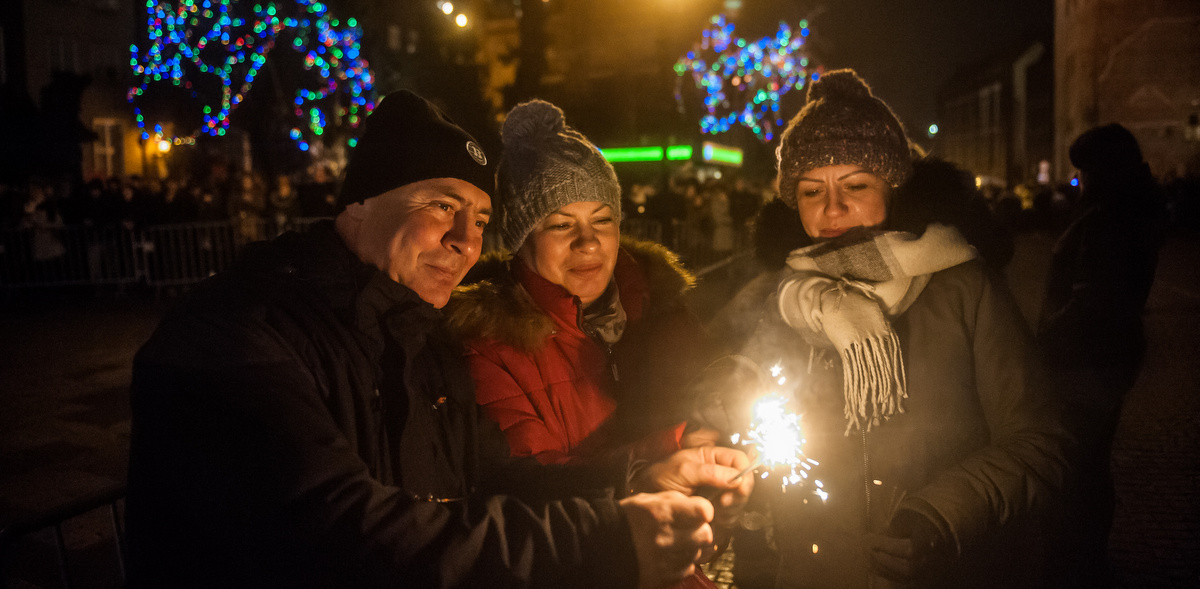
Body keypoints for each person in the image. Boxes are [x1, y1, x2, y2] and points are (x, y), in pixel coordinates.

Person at [126, 90, 741, 589]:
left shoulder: (424, 339)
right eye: (442, 206)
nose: (465, 242)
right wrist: (604, 542)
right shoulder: (235, 330)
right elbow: (335, 533)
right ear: (361, 203)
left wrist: (642, 478)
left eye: (477, 219)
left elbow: (496, 480)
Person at [708, 69, 1073, 588]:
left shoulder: (965, 288)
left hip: (944, 570)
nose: (833, 209)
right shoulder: (783, 298)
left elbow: (1040, 441)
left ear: (895, 187)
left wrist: (942, 515)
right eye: (812, 191)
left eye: (856, 185)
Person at [444, 101, 751, 589]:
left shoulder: (663, 313)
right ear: (522, 239)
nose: (588, 243)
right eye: (562, 225)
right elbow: (529, 491)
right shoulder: (488, 340)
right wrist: (654, 466)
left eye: (602, 220)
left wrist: (716, 458)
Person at [1037, 123, 1164, 588]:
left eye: (1087, 172)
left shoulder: (1111, 219)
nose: (1082, 182)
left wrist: (1044, 340)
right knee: (1089, 460)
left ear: (1105, 172)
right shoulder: (1127, 209)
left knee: (1081, 462)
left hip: (1088, 360)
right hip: (1106, 356)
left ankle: (1079, 561)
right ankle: (1085, 556)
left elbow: (1092, 300)